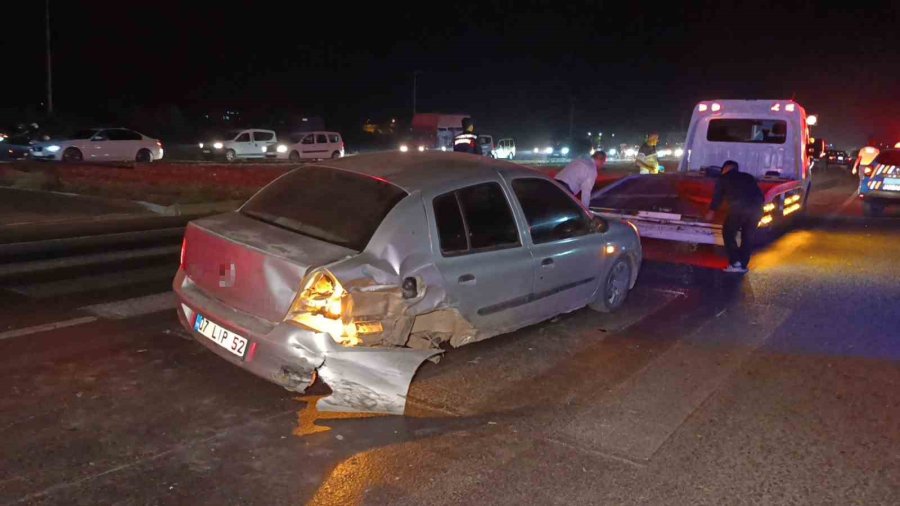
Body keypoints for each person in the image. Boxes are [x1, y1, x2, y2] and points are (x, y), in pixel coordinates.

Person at [705, 160, 764, 273]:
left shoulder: (724, 179)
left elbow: (717, 197)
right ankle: (743, 264)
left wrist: (712, 211)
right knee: (748, 237)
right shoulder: (748, 177)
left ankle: (735, 262)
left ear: (726, 168)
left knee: (728, 233)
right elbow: (759, 194)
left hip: (739, 210)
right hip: (756, 210)